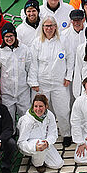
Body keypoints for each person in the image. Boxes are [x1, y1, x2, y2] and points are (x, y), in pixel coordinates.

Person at [32, 16, 73, 147]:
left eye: (51, 26)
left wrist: (68, 77)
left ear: (55, 27)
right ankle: (44, 135)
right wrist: (34, 82)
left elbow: (70, 59)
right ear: (42, 28)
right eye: (46, 26)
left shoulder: (64, 41)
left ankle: (66, 134)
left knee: (63, 110)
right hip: (43, 82)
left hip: (59, 82)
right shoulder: (37, 42)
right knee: (43, 110)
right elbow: (33, 63)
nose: (49, 29)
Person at [0, 23, 35, 124]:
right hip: (6, 92)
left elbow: (30, 69)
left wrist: (32, 85)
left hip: (23, 91)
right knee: (8, 117)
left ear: (15, 36)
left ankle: (24, 136)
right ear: (3, 38)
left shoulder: (24, 49)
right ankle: (10, 136)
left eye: (11, 36)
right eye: (6, 36)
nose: (9, 39)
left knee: (25, 117)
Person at [17, 94, 64, 172]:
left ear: (46, 106)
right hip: (30, 144)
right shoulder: (27, 121)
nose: (38, 109)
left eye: (41, 106)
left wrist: (47, 142)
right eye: (35, 106)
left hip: (44, 143)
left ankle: (39, 155)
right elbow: (21, 142)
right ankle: (37, 164)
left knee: (58, 164)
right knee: (39, 147)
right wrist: (34, 148)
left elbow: (53, 133)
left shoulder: (49, 115)